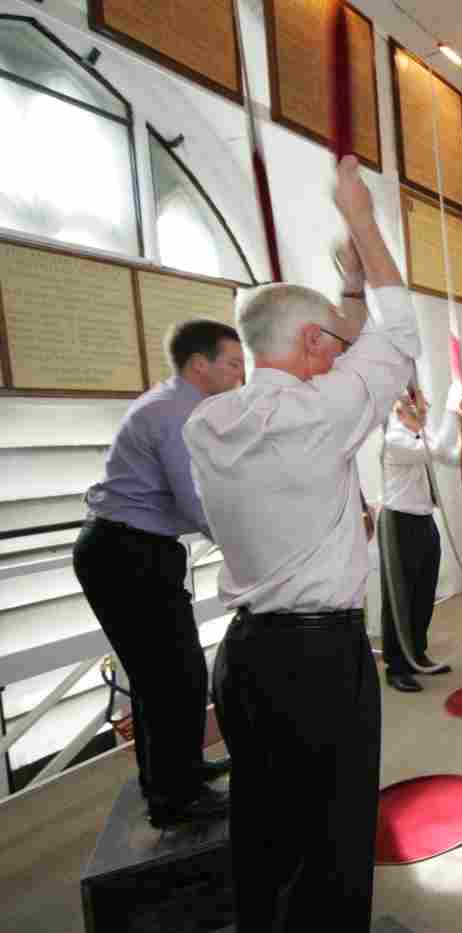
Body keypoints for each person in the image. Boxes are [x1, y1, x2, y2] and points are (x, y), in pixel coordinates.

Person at [183, 156, 414, 933]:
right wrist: (363, 221)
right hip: (320, 663)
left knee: (265, 828)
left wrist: (345, 291)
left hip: (245, 658)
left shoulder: (207, 426)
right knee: (337, 838)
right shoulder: (317, 418)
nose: (339, 351)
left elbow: (349, 355)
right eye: (330, 340)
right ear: (313, 342)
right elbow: (398, 338)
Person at [72, 319, 244, 827]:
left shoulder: (175, 403)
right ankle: (176, 798)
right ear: (199, 364)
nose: (241, 373)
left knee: (164, 678)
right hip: (126, 553)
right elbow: (193, 500)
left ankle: (176, 776)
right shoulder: (175, 413)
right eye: (233, 362)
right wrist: (247, 551)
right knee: (175, 678)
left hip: (132, 549)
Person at [379, 383, 462, 693]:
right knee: (400, 598)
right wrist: (452, 409)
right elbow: (440, 450)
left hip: (423, 520)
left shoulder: (419, 437)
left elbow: (453, 457)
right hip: (398, 522)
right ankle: (396, 666)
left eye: (428, 407)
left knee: (423, 591)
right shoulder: (394, 440)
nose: (426, 411)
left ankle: (417, 653)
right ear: (401, 410)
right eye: (423, 407)